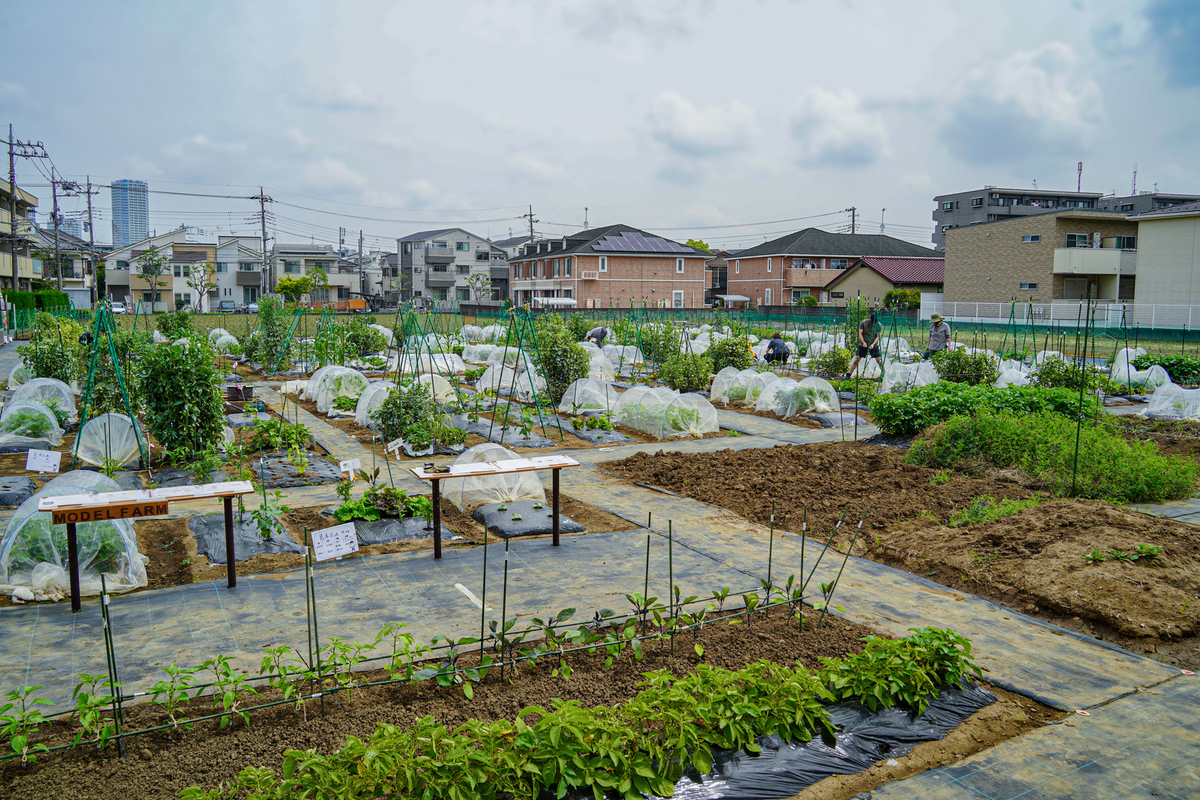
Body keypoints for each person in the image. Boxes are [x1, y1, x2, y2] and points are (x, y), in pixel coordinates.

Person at [846, 311, 883, 378]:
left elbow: (878, 336)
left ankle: (884, 374)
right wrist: (863, 342)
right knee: (856, 360)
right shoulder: (863, 323)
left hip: (874, 344)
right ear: (869, 318)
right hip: (864, 343)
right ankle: (849, 374)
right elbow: (860, 333)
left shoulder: (878, 325)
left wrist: (873, 344)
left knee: (879, 360)